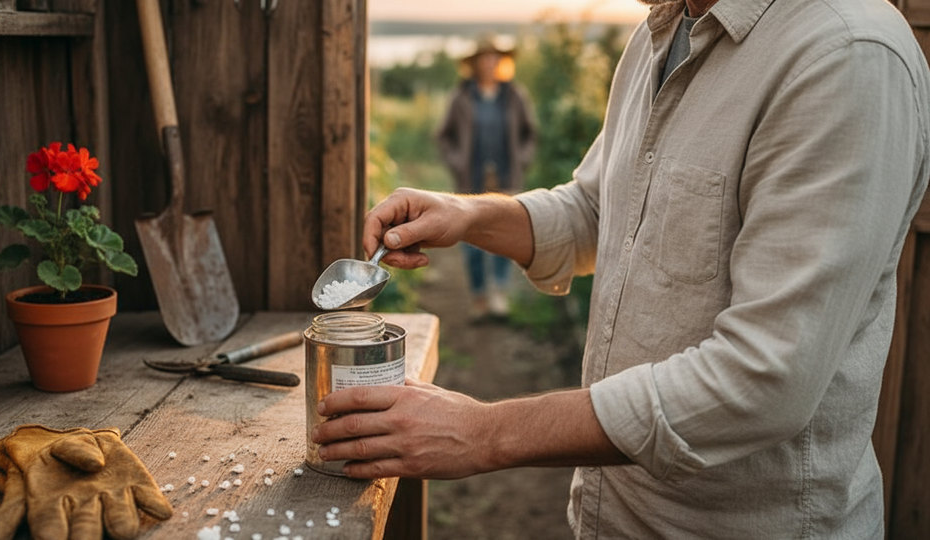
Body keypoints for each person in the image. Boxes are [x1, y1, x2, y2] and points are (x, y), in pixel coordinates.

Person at [310, 0, 930, 537]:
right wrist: (469, 214)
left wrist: (485, 433)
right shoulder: (661, 32)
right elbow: (598, 211)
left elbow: (764, 379)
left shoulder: (846, 56)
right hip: (615, 516)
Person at [436, 34, 537, 319]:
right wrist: (456, 163)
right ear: (475, 64)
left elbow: (530, 134)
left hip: (506, 179)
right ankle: (479, 296)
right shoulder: (461, 97)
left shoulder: (514, 95)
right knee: (472, 241)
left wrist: (523, 160)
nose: (490, 63)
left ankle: (499, 294)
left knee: (504, 236)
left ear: (501, 62)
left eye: (495, 58)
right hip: (471, 180)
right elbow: (443, 136)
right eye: (484, 58)